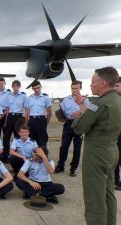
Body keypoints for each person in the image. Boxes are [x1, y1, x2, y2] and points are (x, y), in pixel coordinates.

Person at [72, 67, 121, 225]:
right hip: (111, 152)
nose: (91, 85)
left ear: (104, 83)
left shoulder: (98, 104)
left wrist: (81, 108)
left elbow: (79, 127)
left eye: (93, 82)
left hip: (96, 157)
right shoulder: (117, 101)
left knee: (95, 199)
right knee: (108, 194)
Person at [55, 80, 90, 177]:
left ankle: (73, 168)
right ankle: (60, 166)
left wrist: (82, 108)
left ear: (80, 89)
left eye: (77, 88)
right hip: (68, 125)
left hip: (79, 125)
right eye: (73, 88)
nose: (74, 90)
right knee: (64, 146)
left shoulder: (85, 100)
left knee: (77, 148)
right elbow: (63, 113)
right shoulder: (66, 100)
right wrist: (79, 111)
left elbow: (94, 110)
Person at [3, 80, 27, 160]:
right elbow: (7, 109)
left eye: (17, 86)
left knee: (18, 137)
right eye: (14, 86)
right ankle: (6, 156)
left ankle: (18, 155)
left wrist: (26, 121)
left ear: (19, 87)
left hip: (18, 118)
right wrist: (6, 122)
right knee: (6, 137)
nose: (15, 88)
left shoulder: (23, 96)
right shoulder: (8, 96)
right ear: (12, 87)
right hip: (10, 117)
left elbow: (26, 109)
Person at [25, 80, 51, 147]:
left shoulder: (46, 98)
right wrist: (27, 122)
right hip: (32, 120)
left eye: (38, 88)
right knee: (31, 140)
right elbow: (27, 112)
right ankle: (32, 157)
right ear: (32, 89)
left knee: (42, 141)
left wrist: (46, 123)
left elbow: (49, 112)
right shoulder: (29, 98)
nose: (37, 90)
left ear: (41, 87)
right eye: (35, 88)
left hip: (41, 120)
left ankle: (44, 156)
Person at [114, 77, 121, 190]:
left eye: (117, 86)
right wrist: (85, 103)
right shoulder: (112, 99)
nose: (115, 88)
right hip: (116, 134)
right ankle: (116, 180)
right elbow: (97, 109)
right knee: (116, 157)